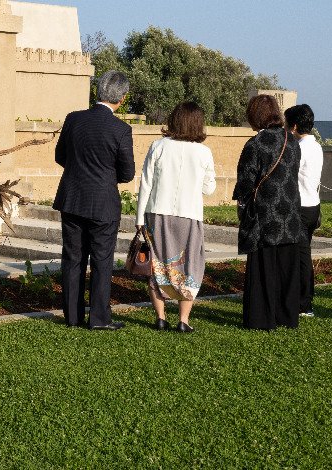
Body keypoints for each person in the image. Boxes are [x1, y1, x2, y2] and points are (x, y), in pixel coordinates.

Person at [53, 70, 135, 331]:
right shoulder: (121, 129)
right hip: (103, 203)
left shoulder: (73, 120)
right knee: (102, 261)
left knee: (73, 258)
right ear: (122, 98)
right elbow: (127, 173)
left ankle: (73, 316)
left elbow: (60, 156)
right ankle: (99, 319)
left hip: (72, 198)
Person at [135, 102, 216, 333]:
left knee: (156, 263)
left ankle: (160, 317)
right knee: (190, 264)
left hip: (157, 212)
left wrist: (139, 217)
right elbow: (209, 188)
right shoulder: (203, 152)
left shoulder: (158, 146)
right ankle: (183, 320)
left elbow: (146, 184)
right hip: (189, 215)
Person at [233, 95, 303, 330]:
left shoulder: (255, 144)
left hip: (265, 214)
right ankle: (287, 316)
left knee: (264, 268)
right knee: (286, 269)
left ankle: (262, 318)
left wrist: (242, 208)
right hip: (291, 213)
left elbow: (245, 182)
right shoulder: (292, 142)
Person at [284, 104, 323, 318]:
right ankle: (301, 300)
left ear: (295, 125)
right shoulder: (316, 146)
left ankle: (303, 303)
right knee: (303, 253)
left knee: (301, 257)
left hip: (300, 207)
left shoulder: (299, 148)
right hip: (313, 206)